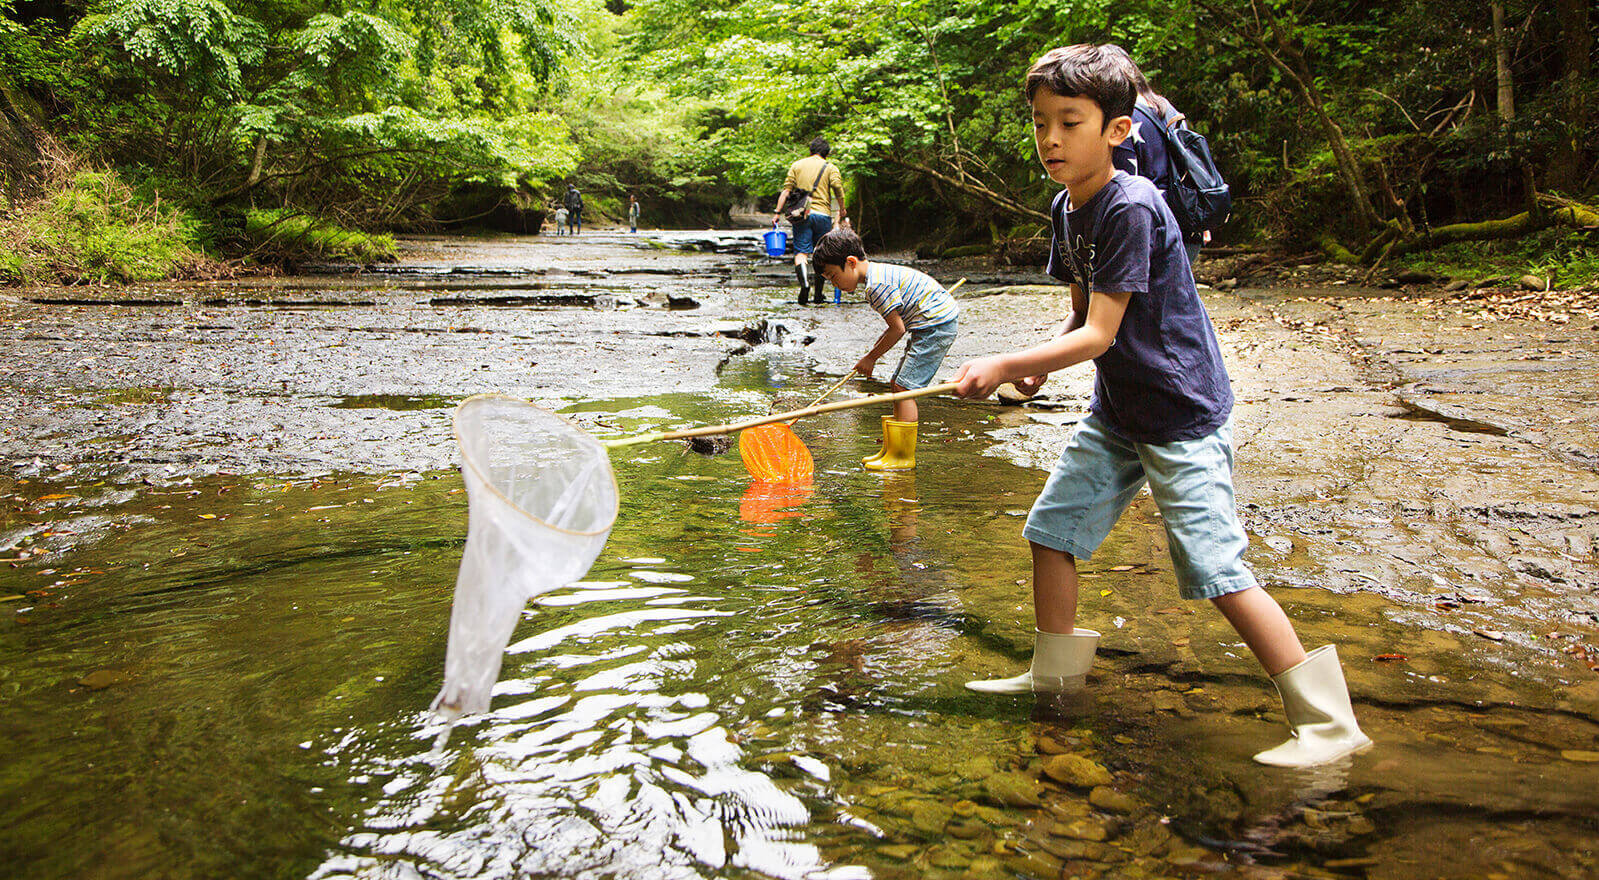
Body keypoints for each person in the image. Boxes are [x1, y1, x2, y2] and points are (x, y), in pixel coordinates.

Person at [952, 44, 1371, 769]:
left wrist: (1004, 363)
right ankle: (1054, 673)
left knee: (1215, 571)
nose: (1050, 139)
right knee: (1051, 532)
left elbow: (1101, 333)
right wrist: (1036, 370)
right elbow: (1078, 314)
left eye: (1069, 122)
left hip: (1178, 414)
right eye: (1040, 123)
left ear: (1116, 131)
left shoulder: (1132, 206)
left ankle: (1329, 724)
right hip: (1119, 410)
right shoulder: (1066, 206)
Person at [813, 227, 958, 470]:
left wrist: (871, 358)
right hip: (927, 323)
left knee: (905, 388)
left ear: (850, 263)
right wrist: (871, 355)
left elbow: (897, 330)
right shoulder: (877, 276)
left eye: (833, 277)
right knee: (897, 384)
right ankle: (890, 450)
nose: (835, 285)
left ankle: (902, 457)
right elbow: (896, 327)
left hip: (936, 326)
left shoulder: (875, 287)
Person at [1104, 44, 1208, 265]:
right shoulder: (1166, 108)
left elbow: (1122, 187)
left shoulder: (1123, 116)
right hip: (1185, 224)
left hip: (1149, 230)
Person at [774, 137, 849, 305]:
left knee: (801, 252)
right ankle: (818, 294)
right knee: (821, 253)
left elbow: (786, 191)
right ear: (826, 153)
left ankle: (805, 284)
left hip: (801, 214)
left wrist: (777, 212)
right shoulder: (831, 168)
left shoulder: (797, 165)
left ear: (810, 150)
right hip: (822, 215)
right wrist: (842, 208)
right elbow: (838, 188)